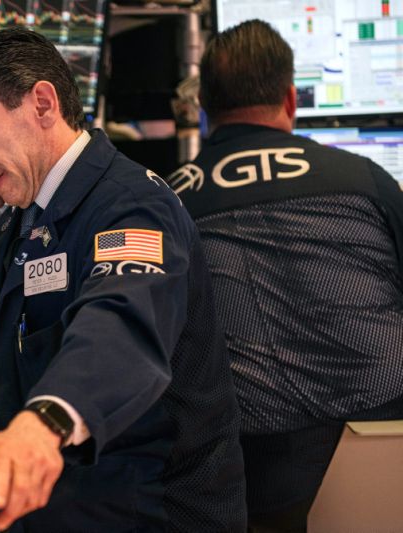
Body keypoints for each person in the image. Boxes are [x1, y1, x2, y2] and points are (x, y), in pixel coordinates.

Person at [0, 27, 246, 532]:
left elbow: (120, 329)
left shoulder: (133, 205)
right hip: (61, 504)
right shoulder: (21, 214)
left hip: (146, 509)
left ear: (42, 103)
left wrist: (43, 426)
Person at [168, 19, 403, 532]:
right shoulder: (363, 179)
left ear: (204, 106)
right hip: (384, 455)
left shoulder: (169, 203)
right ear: (291, 98)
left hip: (250, 481)